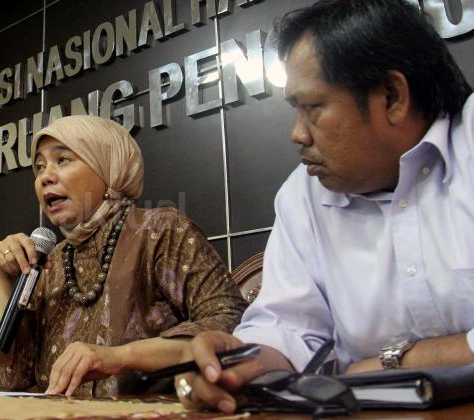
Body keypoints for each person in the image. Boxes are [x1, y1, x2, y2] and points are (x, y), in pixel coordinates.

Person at [177, 0, 474, 413]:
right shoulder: (303, 194)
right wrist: (240, 363)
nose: (297, 134)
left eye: (313, 108)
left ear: (391, 96)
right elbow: (288, 325)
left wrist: (393, 363)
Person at [0, 115, 244, 397]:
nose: (45, 177)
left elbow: (232, 322)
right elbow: (15, 378)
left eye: (62, 160)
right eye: (39, 167)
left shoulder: (159, 231)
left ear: (108, 167)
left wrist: (121, 356)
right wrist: (3, 277)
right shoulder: (53, 259)